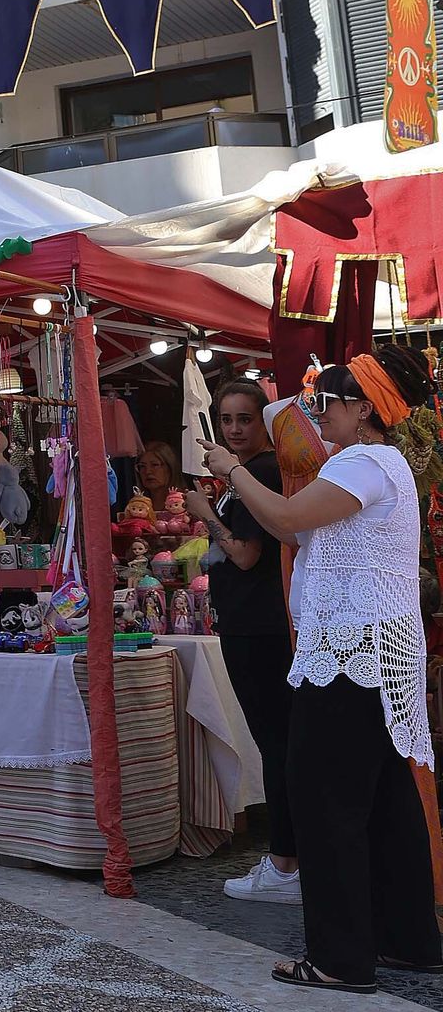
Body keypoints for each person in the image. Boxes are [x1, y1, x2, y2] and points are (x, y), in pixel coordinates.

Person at [203, 350, 442, 992]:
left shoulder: (364, 462)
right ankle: (408, 939)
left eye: (327, 403)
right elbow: (295, 532)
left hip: (351, 651)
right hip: (371, 648)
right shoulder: (376, 464)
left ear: (362, 409)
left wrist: (233, 471)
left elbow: (283, 521)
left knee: (325, 799)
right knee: (385, 798)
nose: (318, 414)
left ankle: (340, 957)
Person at [183, 379, 297, 902]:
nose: (234, 429)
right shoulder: (248, 475)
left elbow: (247, 554)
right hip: (253, 622)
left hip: (259, 626)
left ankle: (286, 862)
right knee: (278, 741)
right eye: (226, 419)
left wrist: (205, 514)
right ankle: (290, 857)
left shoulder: (261, 473)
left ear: (263, 424)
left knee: (276, 742)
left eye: (244, 419)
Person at [135, 440, 184, 512]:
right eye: (142, 466)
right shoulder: (135, 507)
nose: (148, 471)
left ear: (170, 467)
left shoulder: (186, 504)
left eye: (155, 465)